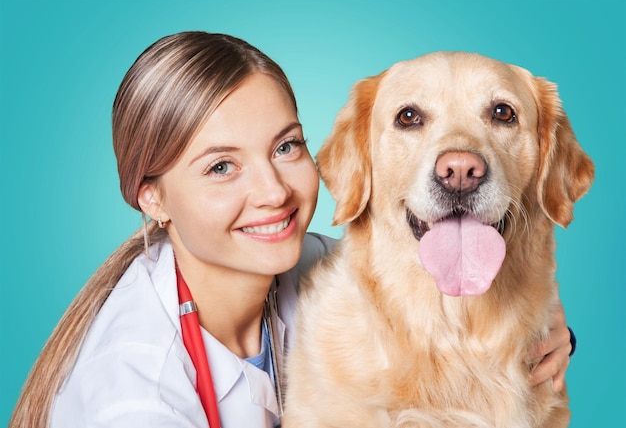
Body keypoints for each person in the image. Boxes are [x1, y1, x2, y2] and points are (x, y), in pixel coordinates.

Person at [9, 31, 574, 428]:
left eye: (285, 147)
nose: (274, 193)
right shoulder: (133, 397)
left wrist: (546, 328)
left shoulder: (319, 271)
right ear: (151, 196)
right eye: (221, 167)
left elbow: (421, 274)